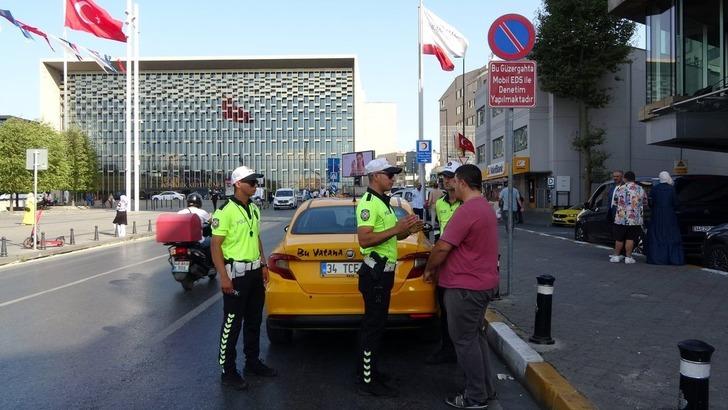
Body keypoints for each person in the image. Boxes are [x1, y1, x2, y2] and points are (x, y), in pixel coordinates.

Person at [423, 164, 499, 408]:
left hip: (465, 288)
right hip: (480, 284)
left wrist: (430, 269)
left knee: (464, 342)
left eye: (454, 181)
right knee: (475, 338)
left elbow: (443, 247)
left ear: (463, 183)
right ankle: (486, 390)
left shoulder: (467, 210)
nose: (451, 185)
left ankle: (475, 397)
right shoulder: (484, 207)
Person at [355, 158, 423, 397]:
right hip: (374, 275)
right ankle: (366, 379)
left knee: (377, 325)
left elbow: (388, 237)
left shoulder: (384, 203)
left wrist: (408, 230)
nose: (393, 179)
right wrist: (397, 229)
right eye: (389, 174)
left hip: (383, 275)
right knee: (372, 327)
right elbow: (364, 239)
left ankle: (371, 371)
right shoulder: (369, 203)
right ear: (375, 177)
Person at [211, 166, 276, 391]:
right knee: (232, 323)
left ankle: (252, 362)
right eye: (251, 182)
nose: (255, 186)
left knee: (254, 320)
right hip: (235, 275)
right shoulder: (225, 210)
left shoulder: (254, 209)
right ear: (238, 184)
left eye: (256, 182)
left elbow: (256, 238)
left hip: (255, 273)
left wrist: (264, 264)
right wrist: (223, 277)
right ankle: (228, 371)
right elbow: (215, 246)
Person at [425, 160, 462, 366]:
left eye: (450, 176)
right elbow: (440, 232)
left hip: (463, 263)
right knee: (444, 307)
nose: (446, 180)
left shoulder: (467, 203)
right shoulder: (440, 203)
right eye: (444, 177)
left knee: (461, 311)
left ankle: (461, 350)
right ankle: (447, 349)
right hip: (444, 261)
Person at [647, 171, 684, 265]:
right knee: (670, 235)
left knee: (657, 235)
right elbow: (676, 203)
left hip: (656, 216)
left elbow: (650, 203)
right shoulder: (672, 189)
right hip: (669, 216)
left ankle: (656, 258)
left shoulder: (654, 189)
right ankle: (673, 258)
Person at [610, 171, 647, 264]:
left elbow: (614, 203)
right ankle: (628, 257)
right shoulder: (640, 189)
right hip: (634, 219)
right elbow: (645, 202)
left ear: (624, 178)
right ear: (634, 179)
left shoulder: (620, 188)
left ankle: (616, 256)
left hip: (621, 218)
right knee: (630, 238)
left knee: (619, 238)